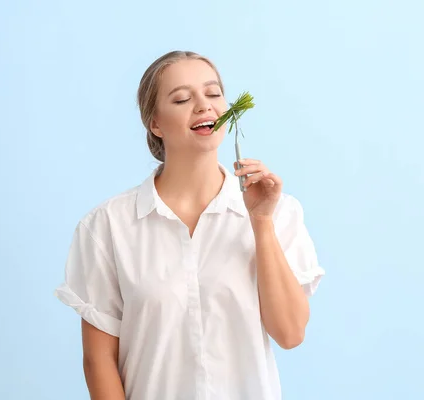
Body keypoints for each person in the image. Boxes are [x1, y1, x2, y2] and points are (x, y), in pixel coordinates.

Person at [54, 50, 325, 400]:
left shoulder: (280, 212)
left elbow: (290, 333)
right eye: (182, 98)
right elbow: (98, 360)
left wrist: (260, 222)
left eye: (213, 94)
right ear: (155, 123)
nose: (203, 106)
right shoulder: (108, 226)